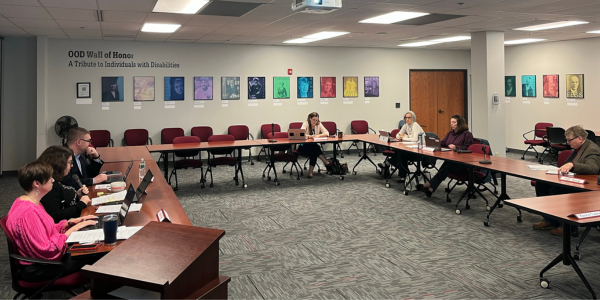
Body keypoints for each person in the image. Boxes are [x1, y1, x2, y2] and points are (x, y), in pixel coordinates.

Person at [6, 161, 98, 282]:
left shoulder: (28, 201)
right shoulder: (28, 213)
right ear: (37, 184)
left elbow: (46, 229)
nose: (53, 181)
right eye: (50, 178)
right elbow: (49, 250)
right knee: (97, 251)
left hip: (42, 261)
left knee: (92, 245)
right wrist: (72, 230)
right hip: (41, 267)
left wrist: (69, 223)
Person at [533, 125, 600, 235]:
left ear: (579, 138)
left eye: (569, 140)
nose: (568, 143)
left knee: (556, 191)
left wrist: (573, 165)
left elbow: (593, 168)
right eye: (567, 140)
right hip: (573, 179)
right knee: (541, 185)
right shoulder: (577, 148)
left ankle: (569, 227)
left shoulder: (592, 149)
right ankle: (551, 220)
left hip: (587, 185)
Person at [417, 115, 474, 197]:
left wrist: (456, 147)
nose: (452, 124)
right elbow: (443, 143)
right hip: (451, 159)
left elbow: (469, 148)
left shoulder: (466, 134)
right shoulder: (450, 133)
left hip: (463, 162)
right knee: (444, 166)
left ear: (460, 123)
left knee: (446, 168)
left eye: (454, 122)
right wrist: (434, 144)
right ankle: (431, 188)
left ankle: (429, 185)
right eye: (451, 122)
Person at [38, 146, 91, 223]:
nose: (72, 166)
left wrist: (78, 195)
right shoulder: (49, 185)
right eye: (70, 162)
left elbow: (63, 201)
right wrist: (81, 204)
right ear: (59, 163)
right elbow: (55, 216)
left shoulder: (58, 179)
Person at [378, 111, 424, 181]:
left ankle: (389, 163)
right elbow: (397, 135)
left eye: (409, 117)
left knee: (401, 154)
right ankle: (403, 175)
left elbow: (415, 139)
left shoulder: (415, 125)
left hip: (419, 151)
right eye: (406, 118)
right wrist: (402, 136)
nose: (407, 119)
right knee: (400, 153)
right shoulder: (406, 125)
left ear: (413, 118)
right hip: (410, 148)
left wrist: (404, 137)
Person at [299, 112, 331, 178]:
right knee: (315, 147)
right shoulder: (305, 124)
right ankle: (325, 162)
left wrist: (317, 136)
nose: (315, 122)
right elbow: (301, 134)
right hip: (302, 146)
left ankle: (310, 173)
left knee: (314, 150)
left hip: (312, 147)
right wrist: (310, 136)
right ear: (310, 119)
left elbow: (327, 133)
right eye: (314, 120)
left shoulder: (318, 124)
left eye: (316, 120)